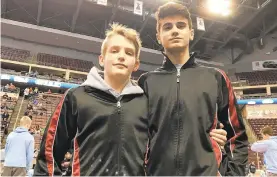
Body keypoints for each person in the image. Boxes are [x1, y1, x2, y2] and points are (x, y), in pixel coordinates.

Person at [34, 24, 227, 176]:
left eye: (128, 53)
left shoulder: (145, 100)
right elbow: (49, 154)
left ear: (136, 64)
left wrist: (207, 135)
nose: (121, 57)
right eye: (114, 51)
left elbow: (170, 136)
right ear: (102, 59)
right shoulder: (76, 97)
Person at [138, 2, 248, 176]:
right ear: (158, 36)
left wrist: (232, 174)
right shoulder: (146, 82)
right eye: (167, 27)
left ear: (191, 33)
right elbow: (138, 136)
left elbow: (237, 135)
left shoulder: (216, 77)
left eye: (181, 25)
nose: (174, 30)